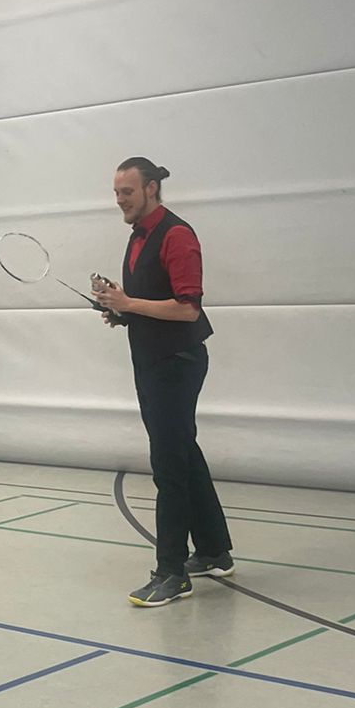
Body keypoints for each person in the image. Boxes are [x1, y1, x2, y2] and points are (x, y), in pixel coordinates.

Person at [93, 157, 233, 606]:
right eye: (117, 193)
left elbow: (187, 308)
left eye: (127, 192)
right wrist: (120, 311)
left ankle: (171, 573)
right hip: (151, 361)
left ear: (151, 188)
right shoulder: (138, 236)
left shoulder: (177, 235)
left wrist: (130, 303)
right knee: (184, 453)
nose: (120, 200)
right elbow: (149, 303)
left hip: (177, 363)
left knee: (168, 464)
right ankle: (213, 550)